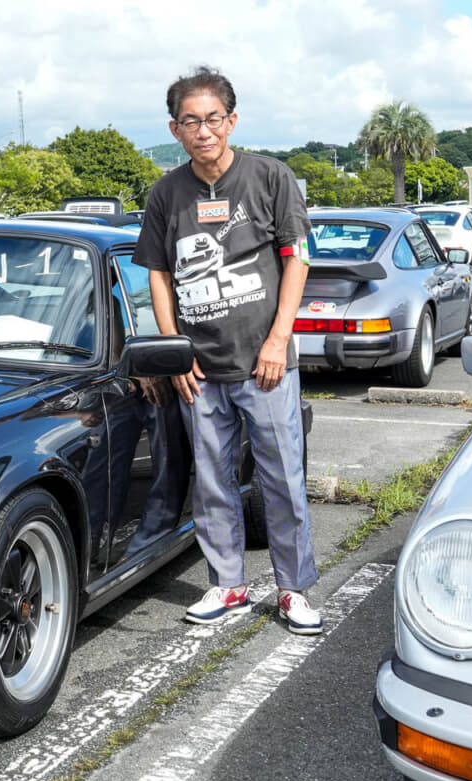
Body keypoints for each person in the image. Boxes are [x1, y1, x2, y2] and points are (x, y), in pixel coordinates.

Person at [134, 66, 321, 635]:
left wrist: (277, 339)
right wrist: (174, 352)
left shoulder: (270, 177)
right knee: (211, 481)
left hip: (264, 365)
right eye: (190, 121)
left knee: (282, 480)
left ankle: (293, 590)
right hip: (199, 369)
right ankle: (229, 584)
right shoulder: (166, 193)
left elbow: (298, 258)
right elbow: (160, 276)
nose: (203, 130)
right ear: (175, 128)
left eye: (213, 118)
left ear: (231, 121)